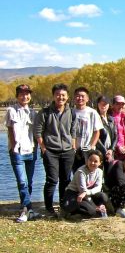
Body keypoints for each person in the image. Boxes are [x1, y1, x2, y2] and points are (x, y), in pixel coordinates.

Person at [35, 83, 77, 216]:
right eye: (57, 94)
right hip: (50, 151)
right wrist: (43, 149)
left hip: (68, 151)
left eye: (63, 95)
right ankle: (49, 208)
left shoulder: (72, 112)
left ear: (67, 97)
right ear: (53, 96)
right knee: (52, 180)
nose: (60, 97)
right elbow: (38, 132)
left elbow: (73, 131)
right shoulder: (45, 112)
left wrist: (73, 147)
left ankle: (64, 206)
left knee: (66, 180)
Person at [7, 84, 39, 222]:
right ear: (17, 96)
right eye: (21, 94)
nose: (25, 96)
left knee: (29, 182)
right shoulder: (11, 110)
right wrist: (14, 147)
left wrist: (37, 147)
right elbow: (10, 129)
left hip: (31, 149)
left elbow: (37, 132)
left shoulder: (34, 113)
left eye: (27, 94)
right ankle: (27, 209)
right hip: (17, 151)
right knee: (22, 181)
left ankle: (25, 208)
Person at [62, 150, 109, 218]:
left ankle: (97, 209)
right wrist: (95, 207)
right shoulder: (81, 172)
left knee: (103, 196)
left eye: (95, 161)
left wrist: (87, 192)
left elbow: (98, 188)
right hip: (74, 193)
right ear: (87, 160)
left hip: (86, 193)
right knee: (92, 211)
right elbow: (82, 191)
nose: (92, 163)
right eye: (90, 160)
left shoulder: (99, 172)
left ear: (100, 163)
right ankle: (70, 213)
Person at [71, 87, 102, 172]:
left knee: (89, 173)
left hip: (88, 150)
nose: (80, 98)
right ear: (74, 98)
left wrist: (91, 146)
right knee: (76, 173)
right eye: (77, 96)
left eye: (82, 96)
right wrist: (73, 147)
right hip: (73, 150)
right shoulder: (70, 112)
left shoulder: (92, 112)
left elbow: (97, 132)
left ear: (87, 99)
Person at [95, 95, 117, 171]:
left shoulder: (111, 119)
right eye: (101, 103)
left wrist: (111, 150)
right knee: (99, 172)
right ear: (98, 105)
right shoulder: (95, 118)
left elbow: (116, 136)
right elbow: (96, 137)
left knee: (110, 172)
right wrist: (105, 151)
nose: (103, 106)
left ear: (108, 105)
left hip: (110, 150)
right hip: (99, 151)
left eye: (105, 104)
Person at [111, 95, 125, 160]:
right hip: (114, 151)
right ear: (113, 105)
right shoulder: (110, 118)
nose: (120, 106)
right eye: (118, 104)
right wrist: (118, 147)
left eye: (122, 104)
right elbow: (111, 136)